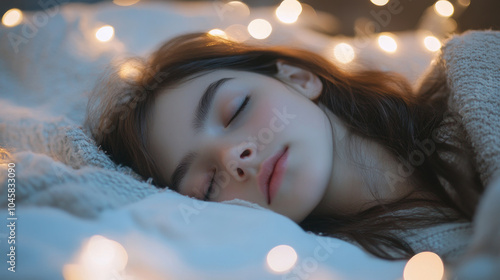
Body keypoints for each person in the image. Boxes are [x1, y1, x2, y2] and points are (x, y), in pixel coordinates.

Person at [84, 32, 484, 261]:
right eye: (207, 184)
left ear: (298, 78)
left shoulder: (474, 71)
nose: (233, 157)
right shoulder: (339, 266)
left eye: (236, 109)